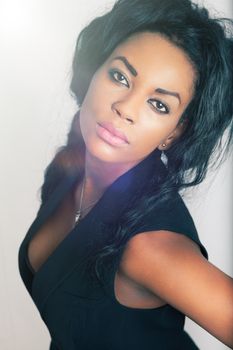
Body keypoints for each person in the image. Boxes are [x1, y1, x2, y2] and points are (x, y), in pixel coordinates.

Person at [18, 0, 233, 349]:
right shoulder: (68, 168)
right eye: (120, 76)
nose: (126, 108)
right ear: (94, 71)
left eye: (159, 104)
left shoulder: (150, 248)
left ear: (173, 133)